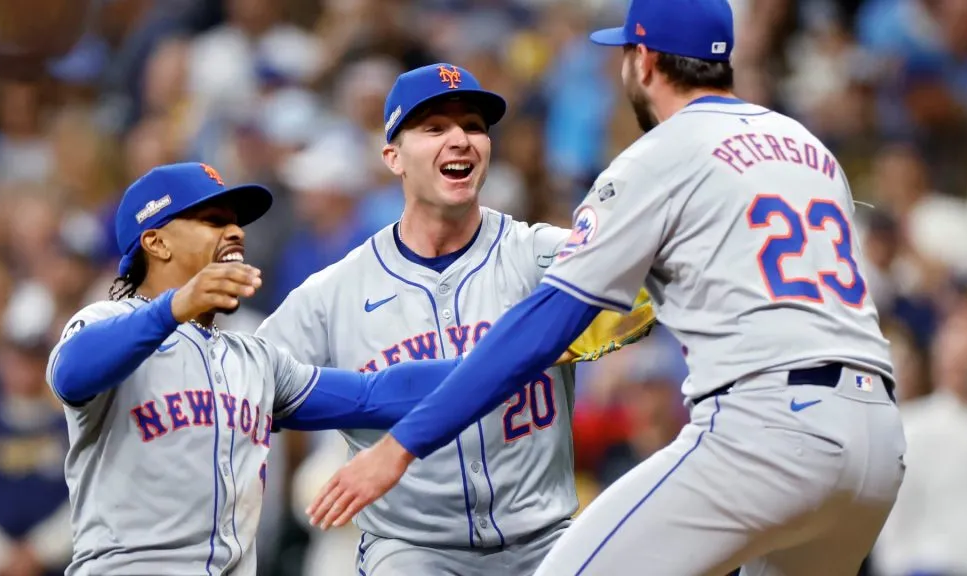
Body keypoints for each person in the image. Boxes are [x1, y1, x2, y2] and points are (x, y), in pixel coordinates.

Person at [306, 1, 908, 575]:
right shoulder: (809, 150)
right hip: (878, 439)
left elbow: (542, 328)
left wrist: (400, 446)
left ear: (644, 60)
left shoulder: (660, 155)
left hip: (766, 429)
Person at [257, 63, 653, 575]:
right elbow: (250, 387)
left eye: (473, 126)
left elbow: (644, 297)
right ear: (392, 157)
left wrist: (572, 333)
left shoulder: (541, 258)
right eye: (435, 128)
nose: (460, 140)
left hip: (544, 538)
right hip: (412, 548)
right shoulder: (332, 294)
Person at [45, 162, 463, 576]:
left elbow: (375, 396)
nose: (236, 232)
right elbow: (71, 374)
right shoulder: (105, 321)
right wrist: (173, 308)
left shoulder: (254, 358)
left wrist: (503, 364)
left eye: (235, 222)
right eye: (212, 220)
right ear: (157, 243)